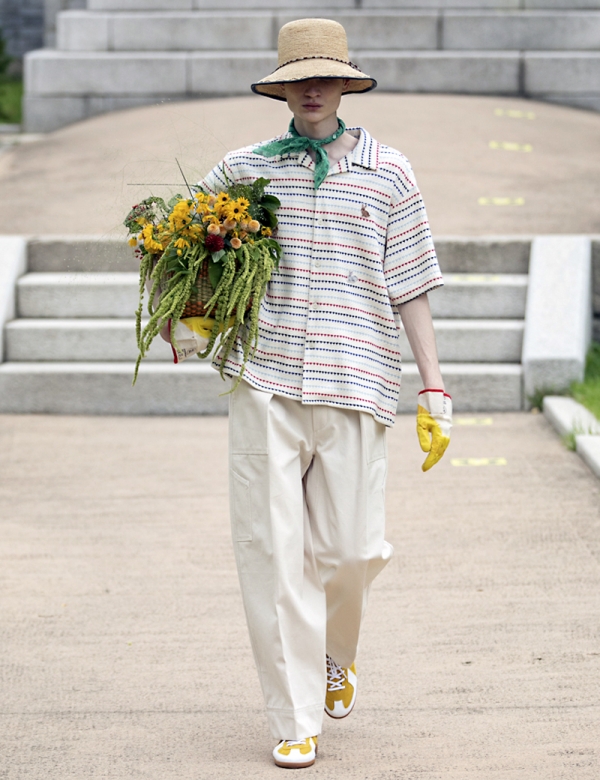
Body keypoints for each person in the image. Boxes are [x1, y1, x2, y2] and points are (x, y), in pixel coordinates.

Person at [199, 18, 452, 770]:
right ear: (281, 88)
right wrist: (189, 306)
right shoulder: (240, 175)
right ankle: (294, 715)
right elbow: (196, 263)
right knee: (272, 555)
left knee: (351, 549)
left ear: (345, 84)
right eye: (298, 78)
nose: (312, 89)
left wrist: (433, 385)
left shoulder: (389, 173)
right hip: (265, 378)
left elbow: (411, 284)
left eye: (325, 77)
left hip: (356, 378)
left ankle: (339, 653)